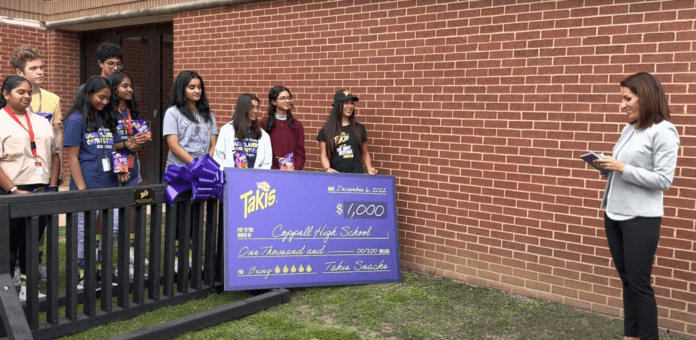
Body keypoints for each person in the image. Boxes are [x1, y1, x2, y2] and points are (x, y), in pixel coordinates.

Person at [593, 72, 680, 340]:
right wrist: (608, 168)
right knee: (627, 281)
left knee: (640, 285)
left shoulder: (664, 131)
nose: (622, 105)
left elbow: (663, 180)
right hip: (614, 213)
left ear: (646, 97)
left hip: (641, 219)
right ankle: (630, 336)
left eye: (627, 98)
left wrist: (622, 167)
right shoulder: (629, 128)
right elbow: (626, 169)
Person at [0, 75, 60, 301]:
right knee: (8, 244)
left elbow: (54, 155)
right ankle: (6, 293)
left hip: (41, 190)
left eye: (29, 92)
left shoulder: (41, 121)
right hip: (11, 191)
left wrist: (52, 186)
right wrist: (14, 190)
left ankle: (27, 286)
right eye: (20, 92)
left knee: (32, 241)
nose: (26, 96)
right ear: (6, 94)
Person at [63, 75, 123, 288]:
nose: (104, 102)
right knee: (83, 231)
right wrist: (81, 188)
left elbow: (112, 148)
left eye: (108, 98)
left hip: (110, 183)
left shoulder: (106, 119)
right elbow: (72, 157)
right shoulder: (76, 120)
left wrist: (122, 168)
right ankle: (84, 273)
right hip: (86, 184)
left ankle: (102, 267)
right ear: (88, 94)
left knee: (113, 228)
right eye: (101, 97)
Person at [11, 45, 64, 282]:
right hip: (15, 172)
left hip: (42, 171)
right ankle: (11, 266)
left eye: (41, 67)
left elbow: (57, 134)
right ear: (19, 72)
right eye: (34, 68)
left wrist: (59, 166)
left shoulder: (52, 99)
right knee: (13, 227)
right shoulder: (10, 96)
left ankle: (34, 264)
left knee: (38, 222)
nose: (40, 72)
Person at [163, 71, 217, 169]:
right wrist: (195, 164)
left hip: (203, 169)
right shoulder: (172, 113)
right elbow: (173, 146)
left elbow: (213, 144)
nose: (197, 91)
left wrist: (207, 163)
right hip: (179, 171)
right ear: (182, 90)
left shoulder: (209, 114)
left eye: (199, 87)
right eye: (192, 87)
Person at [316, 89, 377, 174]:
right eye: (346, 102)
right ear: (338, 105)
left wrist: (370, 168)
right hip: (336, 176)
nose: (350, 106)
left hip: (356, 175)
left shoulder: (359, 128)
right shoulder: (326, 130)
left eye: (352, 103)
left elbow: (365, 153)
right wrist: (327, 168)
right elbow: (324, 155)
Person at [108, 72, 149, 186]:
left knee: (131, 202)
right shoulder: (107, 113)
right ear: (114, 89)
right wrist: (127, 143)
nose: (130, 89)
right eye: (125, 86)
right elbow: (104, 144)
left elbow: (140, 138)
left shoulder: (133, 112)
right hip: (112, 166)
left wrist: (137, 144)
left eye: (131, 86)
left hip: (132, 164)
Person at [214, 93, 272, 169]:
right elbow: (218, 158)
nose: (255, 111)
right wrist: (230, 175)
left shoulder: (264, 135)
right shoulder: (226, 130)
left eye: (257, 107)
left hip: (256, 179)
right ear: (243, 108)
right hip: (231, 178)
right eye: (251, 107)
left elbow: (267, 163)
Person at [259, 86, 305, 170]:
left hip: (291, 172)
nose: (287, 101)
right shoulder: (263, 124)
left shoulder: (297, 125)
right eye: (283, 98)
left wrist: (295, 168)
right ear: (273, 102)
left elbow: (300, 152)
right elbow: (260, 150)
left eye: (289, 98)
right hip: (269, 171)